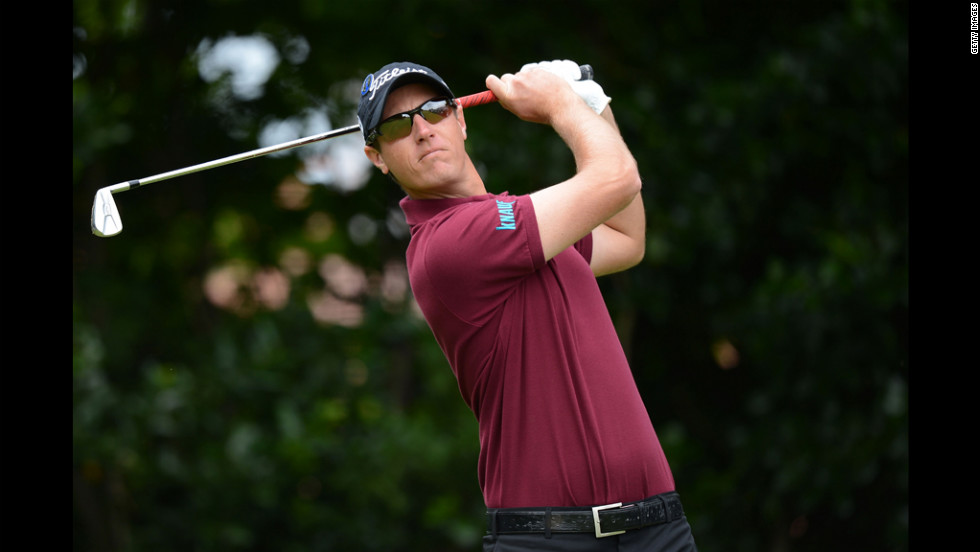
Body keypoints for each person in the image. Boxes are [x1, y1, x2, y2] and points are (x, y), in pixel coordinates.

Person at [357, 60, 698, 551]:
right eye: (397, 125)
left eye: (434, 110)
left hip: (658, 528)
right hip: (548, 539)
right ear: (378, 157)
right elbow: (617, 179)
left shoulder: (523, 226)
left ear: (462, 120)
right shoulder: (449, 243)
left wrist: (592, 104)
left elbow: (627, 238)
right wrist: (560, 103)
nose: (423, 131)